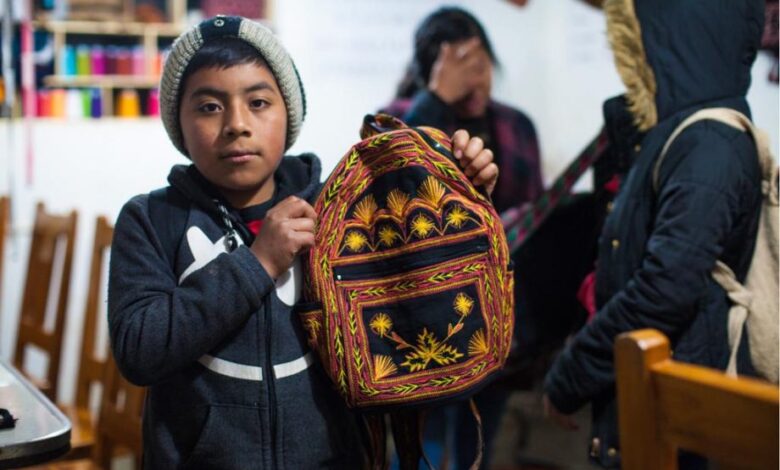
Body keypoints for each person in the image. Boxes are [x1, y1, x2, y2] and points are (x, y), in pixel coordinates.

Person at [107, 15, 499, 469]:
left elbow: (416, 286)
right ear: (178, 121)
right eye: (209, 106)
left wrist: (464, 191)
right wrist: (258, 263)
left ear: (288, 112)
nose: (236, 124)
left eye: (257, 102)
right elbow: (139, 350)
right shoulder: (152, 220)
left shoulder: (337, 209)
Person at [543, 0, 764, 468]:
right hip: (652, 400)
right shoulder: (674, 137)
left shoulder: (708, 144)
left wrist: (571, 375)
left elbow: (665, 290)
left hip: (681, 418)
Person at [381, 7, 543, 469]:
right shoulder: (398, 121)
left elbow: (532, 221)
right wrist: (436, 98)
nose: (474, 77)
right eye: (459, 64)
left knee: (479, 447)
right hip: (420, 325)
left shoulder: (515, 126)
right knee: (423, 450)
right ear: (432, 69)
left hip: (499, 324)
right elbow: (390, 203)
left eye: (481, 62)